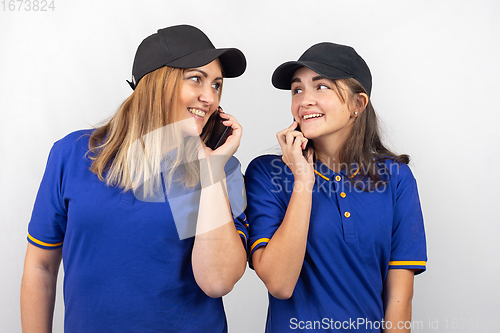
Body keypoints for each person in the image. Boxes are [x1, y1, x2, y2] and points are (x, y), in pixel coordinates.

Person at [21, 24, 248, 333]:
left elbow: (217, 281)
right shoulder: (72, 154)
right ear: (156, 82)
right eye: (196, 79)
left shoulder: (222, 169)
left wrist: (212, 172)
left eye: (217, 85)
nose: (209, 97)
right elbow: (41, 266)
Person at [245, 42, 427, 332]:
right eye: (297, 89)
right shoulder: (268, 174)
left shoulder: (395, 178)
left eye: (321, 87)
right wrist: (303, 179)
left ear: (358, 104)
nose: (304, 100)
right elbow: (280, 284)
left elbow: (399, 299)